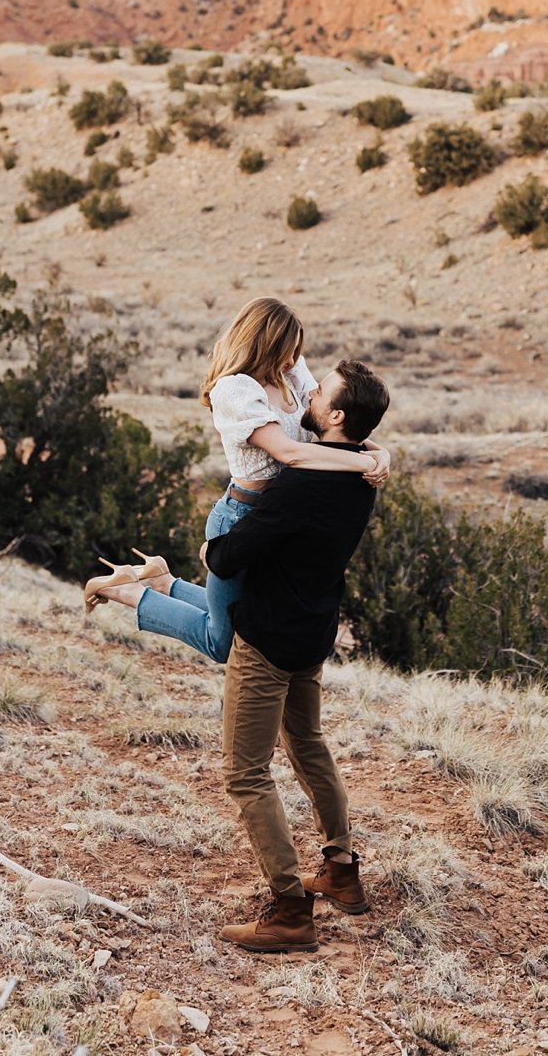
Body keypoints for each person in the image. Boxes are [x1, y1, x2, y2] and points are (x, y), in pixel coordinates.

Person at [86, 359, 390, 953]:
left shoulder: (299, 482)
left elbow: (224, 559)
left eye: (319, 391)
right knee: (308, 746)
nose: (308, 393)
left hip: (268, 642)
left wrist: (208, 542)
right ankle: (342, 873)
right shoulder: (362, 476)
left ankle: (290, 911)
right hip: (311, 634)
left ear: (334, 416)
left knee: (246, 774)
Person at [83, 298, 388, 662]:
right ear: (263, 346)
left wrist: (381, 453)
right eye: (285, 352)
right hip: (243, 514)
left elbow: (332, 421)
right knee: (221, 642)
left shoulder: (290, 372)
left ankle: (162, 582)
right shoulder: (235, 390)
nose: (293, 361)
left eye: (295, 352)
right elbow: (289, 453)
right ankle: (130, 592)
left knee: (249, 612)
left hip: (282, 515)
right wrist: (361, 464)